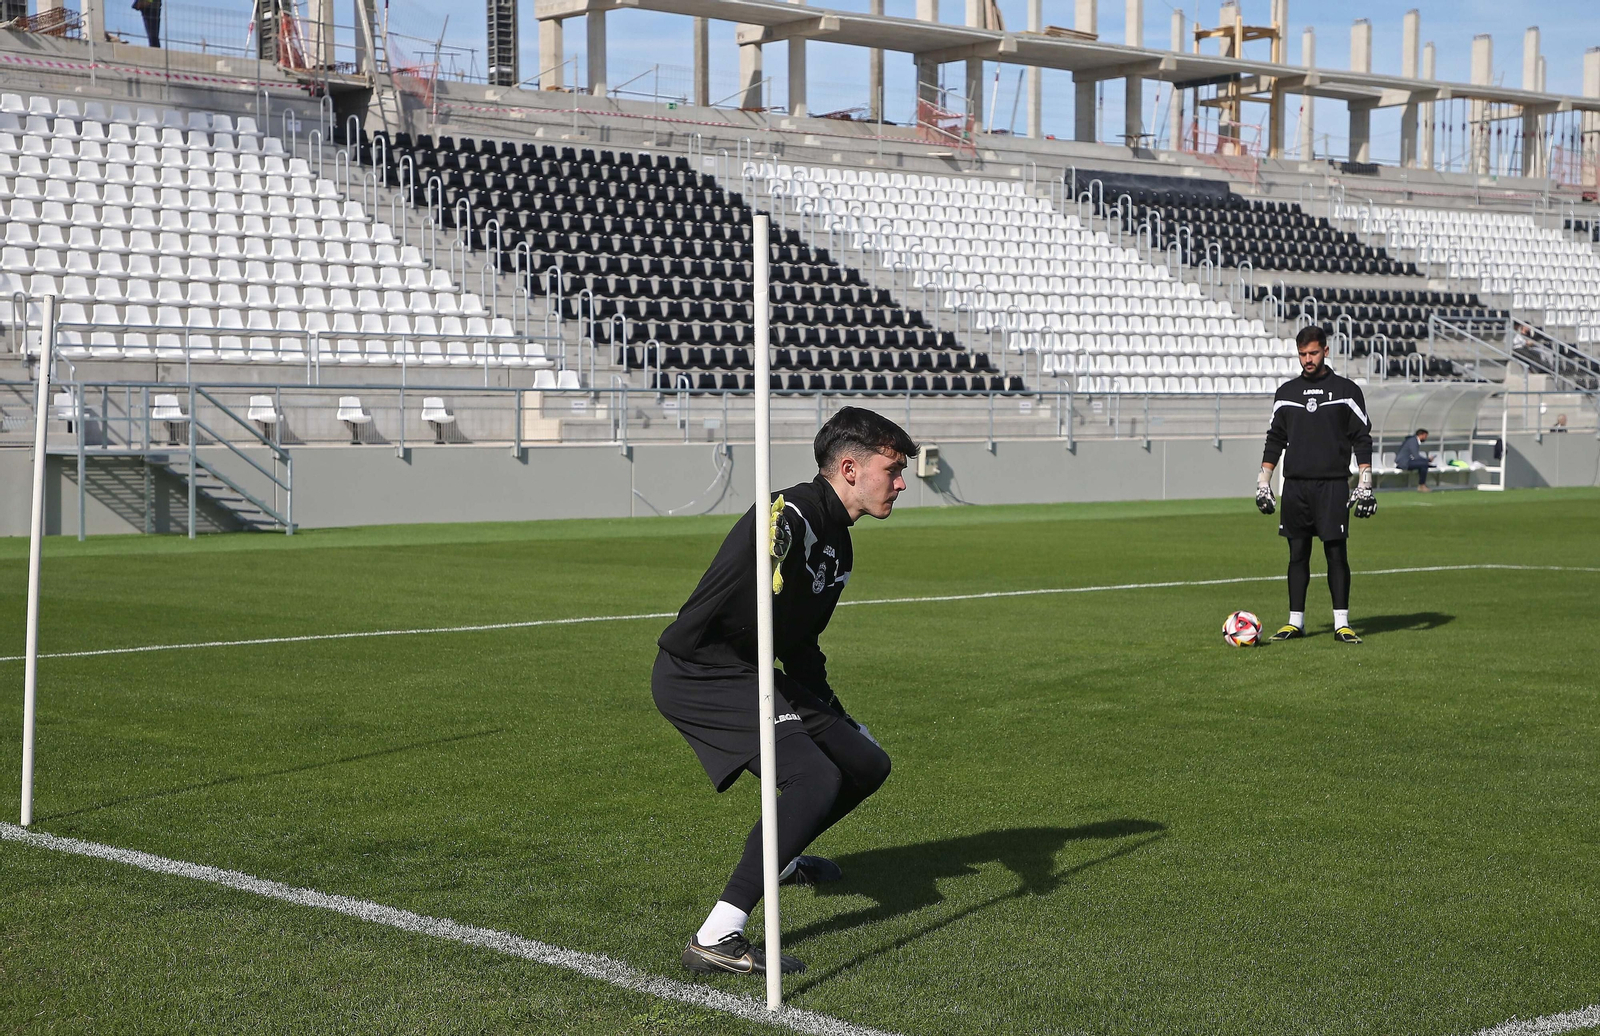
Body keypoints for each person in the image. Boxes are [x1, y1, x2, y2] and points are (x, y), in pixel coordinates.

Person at [652, 406, 912, 976]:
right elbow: (776, 520)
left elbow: (801, 648)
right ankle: (716, 935)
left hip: (752, 675)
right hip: (701, 673)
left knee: (866, 762)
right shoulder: (790, 513)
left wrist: (838, 717)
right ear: (849, 469)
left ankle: (781, 856)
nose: (901, 483)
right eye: (892, 470)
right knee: (813, 776)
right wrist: (777, 536)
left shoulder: (841, 546)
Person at [1255, 325, 1375, 644]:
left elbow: (1362, 438)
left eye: (1313, 353)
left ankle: (1342, 624)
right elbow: (1275, 439)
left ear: (1325, 351)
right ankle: (1295, 622)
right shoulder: (1286, 393)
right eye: (1302, 354)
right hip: (1295, 486)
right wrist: (1263, 482)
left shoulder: (1347, 391)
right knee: (1297, 554)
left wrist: (1365, 482)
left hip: (1332, 485)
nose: (1308, 359)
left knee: (1336, 553)